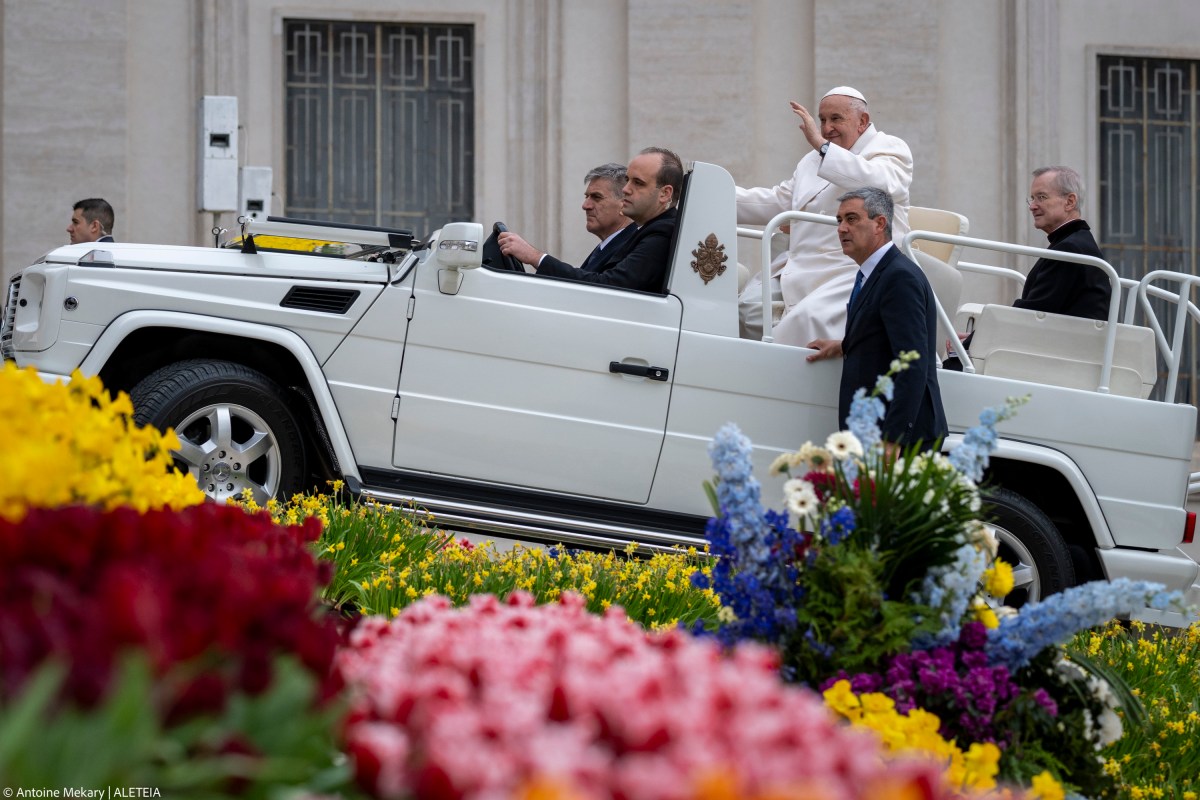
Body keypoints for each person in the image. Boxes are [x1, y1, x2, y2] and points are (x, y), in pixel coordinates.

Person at [736, 87, 912, 344]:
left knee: (806, 320)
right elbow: (779, 202)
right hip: (799, 267)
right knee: (746, 311)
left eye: (836, 119)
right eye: (822, 120)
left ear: (862, 121)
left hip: (851, 269)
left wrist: (822, 145)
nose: (827, 127)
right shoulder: (812, 160)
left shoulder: (888, 148)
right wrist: (712, 194)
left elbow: (878, 185)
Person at [807, 187, 946, 450]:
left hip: (897, 442)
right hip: (873, 433)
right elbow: (883, 335)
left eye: (851, 219)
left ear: (880, 223)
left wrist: (893, 440)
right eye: (839, 220)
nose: (841, 229)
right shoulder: (872, 273)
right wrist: (844, 345)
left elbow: (912, 364)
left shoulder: (899, 277)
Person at [945, 166, 1110, 366]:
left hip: (1059, 361)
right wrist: (975, 339)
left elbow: (1030, 313)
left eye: (1041, 197)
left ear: (1070, 201)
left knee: (949, 367)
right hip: (1059, 352)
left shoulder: (1070, 248)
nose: (1032, 206)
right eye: (1032, 199)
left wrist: (971, 342)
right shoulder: (1073, 242)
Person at [498, 147, 682, 292]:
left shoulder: (663, 233)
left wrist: (536, 257)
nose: (626, 189)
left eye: (638, 183)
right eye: (627, 180)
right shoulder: (648, 230)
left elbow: (609, 287)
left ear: (665, 194)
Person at [577, 162, 637, 273]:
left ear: (624, 204)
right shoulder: (608, 245)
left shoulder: (632, 248)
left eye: (596, 197)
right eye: (587, 197)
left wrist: (540, 259)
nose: (585, 206)